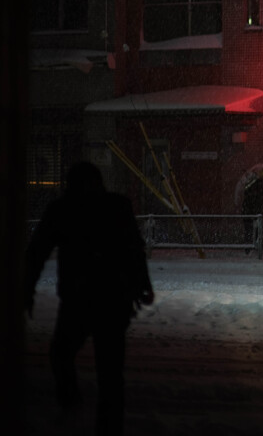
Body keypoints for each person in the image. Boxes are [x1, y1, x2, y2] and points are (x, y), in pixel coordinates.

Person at [24, 161, 154, 436]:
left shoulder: (62, 211)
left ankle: (72, 404)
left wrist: (27, 289)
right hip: (112, 301)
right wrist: (142, 284)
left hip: (78, 299)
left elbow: (37, 252)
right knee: (109, 374)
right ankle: (108, 428)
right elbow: (134, 249)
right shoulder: (117, 207)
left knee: (61, 354)